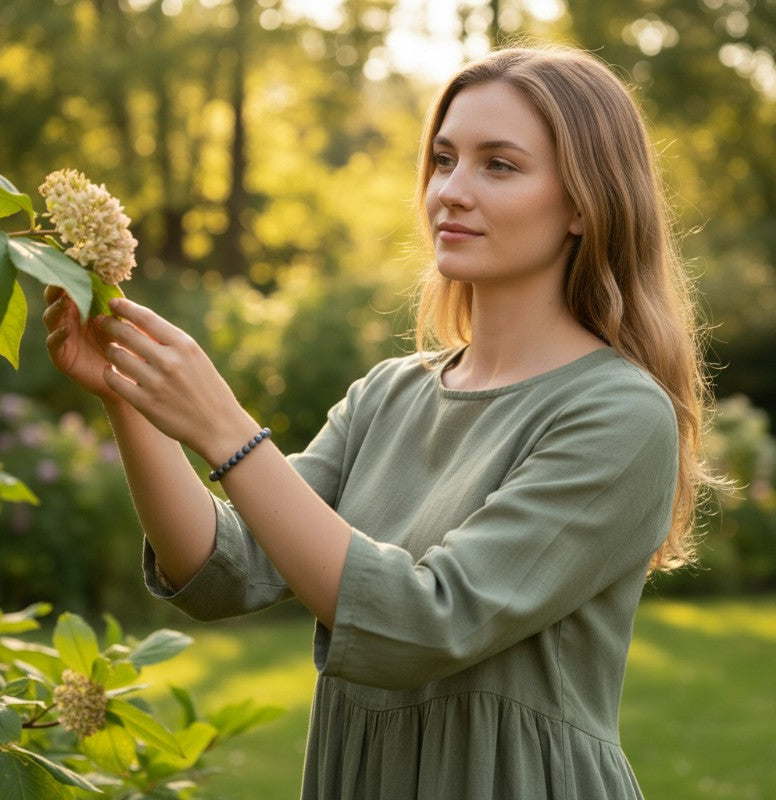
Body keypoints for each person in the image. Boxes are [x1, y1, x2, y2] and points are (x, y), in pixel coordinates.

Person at [44, 42, 716, 800]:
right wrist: (129, 398)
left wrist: (227, 428)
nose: (451, 192)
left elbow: (427, 624)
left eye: (499, 164)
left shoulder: (619, 414)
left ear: (585, 205)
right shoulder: (388, 395)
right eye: (443, 158)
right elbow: (224, 568)